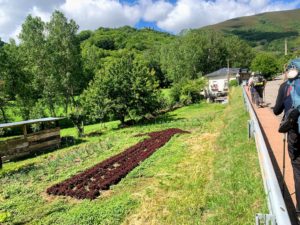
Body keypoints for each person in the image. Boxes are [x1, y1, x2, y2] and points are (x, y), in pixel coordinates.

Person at [273, 67, 300, 219]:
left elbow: (276, 111)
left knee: (298, 170)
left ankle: (299, 210)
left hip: (295, 133)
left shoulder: (286, 86)